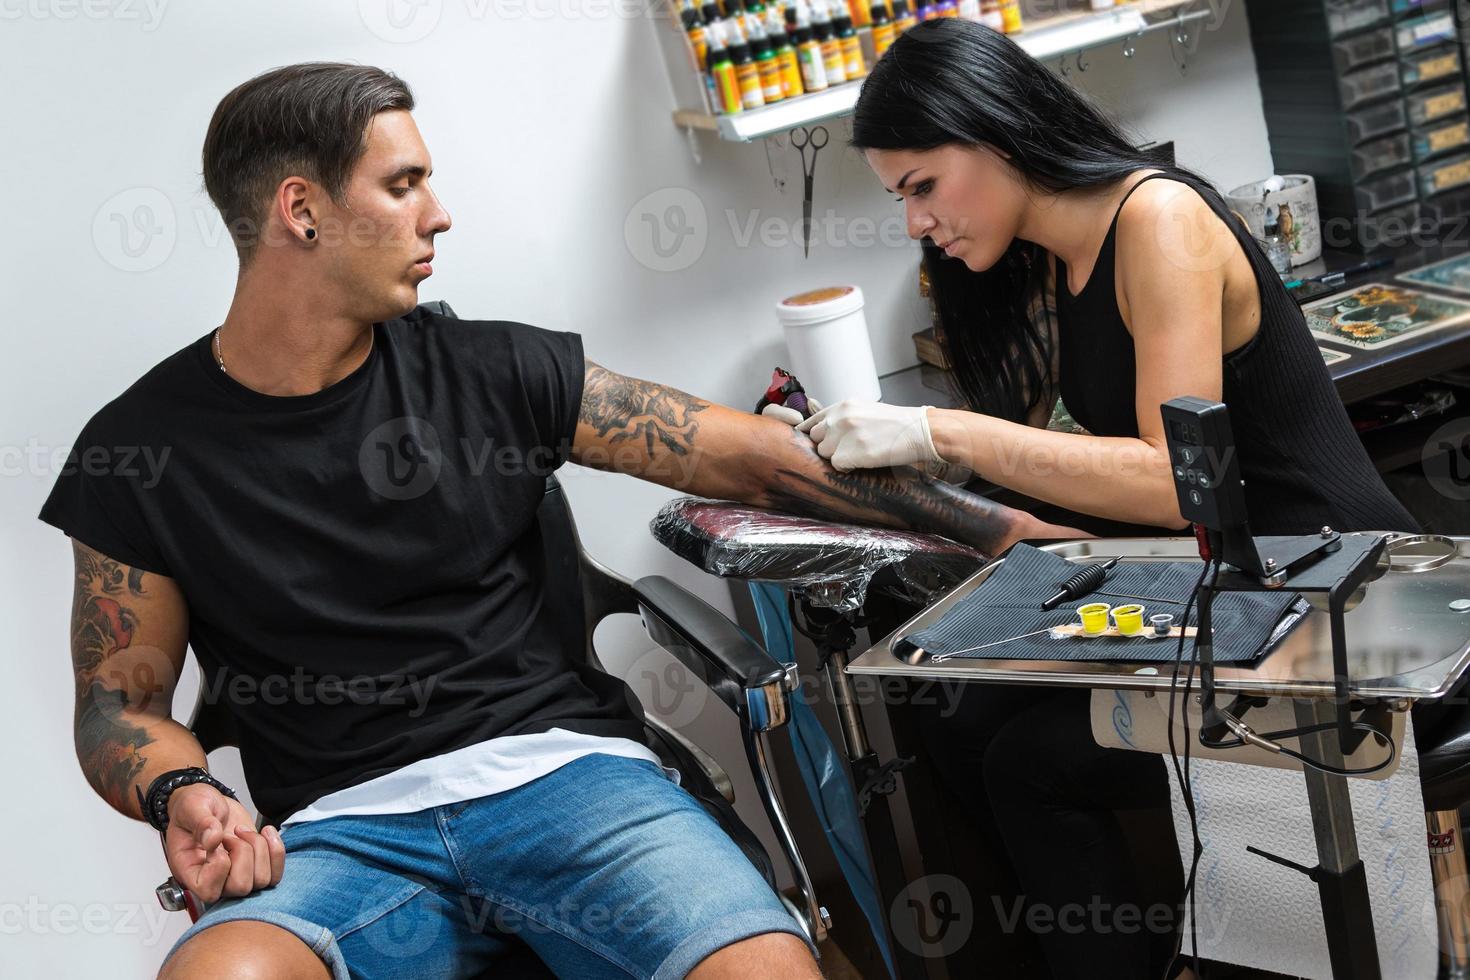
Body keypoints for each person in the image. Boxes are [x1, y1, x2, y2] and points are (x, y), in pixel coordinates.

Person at [40, 62, 1080, 980]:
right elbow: (114, 699)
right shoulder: (142, 448)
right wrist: (178, 785)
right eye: (402, 185)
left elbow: (759, 457)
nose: (437, 213)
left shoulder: (494, 369)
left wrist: (995, 531)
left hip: (571, 788)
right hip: (342, 843)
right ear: (303, 210)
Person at [785, 19, 1422, 980]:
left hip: (1345, 601)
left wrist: (937, 434)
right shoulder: (1063, 255)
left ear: (995, 131)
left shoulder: (1158, 221)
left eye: (922, 185)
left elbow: (1175, 479)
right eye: (900, 197)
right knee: (957, 717)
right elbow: (1095, 469)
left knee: (1029, 765)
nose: (916, 220)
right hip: (1246, 591)